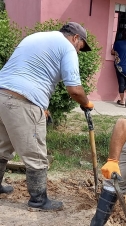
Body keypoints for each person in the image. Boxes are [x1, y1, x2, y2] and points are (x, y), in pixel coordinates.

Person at [0, 22, 94, 211]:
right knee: (35, 153)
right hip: (22, 101)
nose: (77, 51)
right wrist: (86, 103)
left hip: (2, 93)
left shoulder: (35, 37)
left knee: (1, 146)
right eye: (80, 47)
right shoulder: (67, 47)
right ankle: (38, 200)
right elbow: (74, 89)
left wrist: (41, 104)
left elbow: (28, 71)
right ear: (76, 38)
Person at [111, 29, 126, 108]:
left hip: (120, 66)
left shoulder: (118, 43)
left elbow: (112, 52)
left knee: (121, 83)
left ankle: (122, 101)